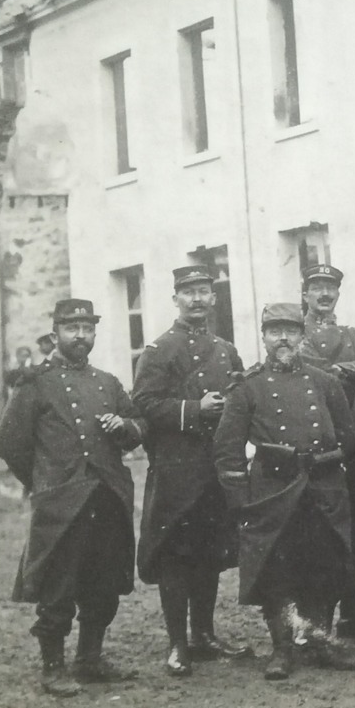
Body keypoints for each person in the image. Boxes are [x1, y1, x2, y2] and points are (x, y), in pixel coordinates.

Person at [0, 299, 145, 696]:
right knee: (58, 585)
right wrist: (45, 480)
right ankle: (53, 667)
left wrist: (124, 426)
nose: (81, 336)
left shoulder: (107, 382)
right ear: (56, 332)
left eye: (88, 329)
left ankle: (90, 659)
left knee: (103, 580)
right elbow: (10, 442)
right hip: (61, 502)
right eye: (72, 329)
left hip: (107, 496)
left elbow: (138, 424)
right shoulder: (36, 383)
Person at [214, 303, 355, 681]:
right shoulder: (248, 386)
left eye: (291, 331)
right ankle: (281, 648)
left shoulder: (324, 382)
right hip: (273, 494)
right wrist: (242, 502)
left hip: (321, 488)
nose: (283, 338)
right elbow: (228, 448)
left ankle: (318, 640)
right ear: (263, 337)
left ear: (302, 336)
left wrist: (329, 464)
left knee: (326, 566)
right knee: (276, 571)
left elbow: (347, 434)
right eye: (275, 331)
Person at [131, 265, 251, 677]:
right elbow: (143, 404)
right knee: (176, 557)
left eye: (204, 292)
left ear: (214, 298)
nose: (197, 299)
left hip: (215, 468)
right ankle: (177, 643)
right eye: (189, 293)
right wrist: (193, 410)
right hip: (177, 469)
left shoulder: (225, 350)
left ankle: (204, 635)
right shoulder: (159, 350)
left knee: (210, 553)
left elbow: (241, 401)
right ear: (175, 299)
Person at [297, 262, 355, 639]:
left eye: (330, 288)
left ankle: (353, 611)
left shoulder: (351, 334)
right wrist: (347, 369)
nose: (324, 295)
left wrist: (349, 367)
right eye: (317, 288)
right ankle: (314, 619)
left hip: (352, 442)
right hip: (316, 443)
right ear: (305, 294)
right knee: (319, 531)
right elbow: (313, 372)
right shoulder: (297, 335)